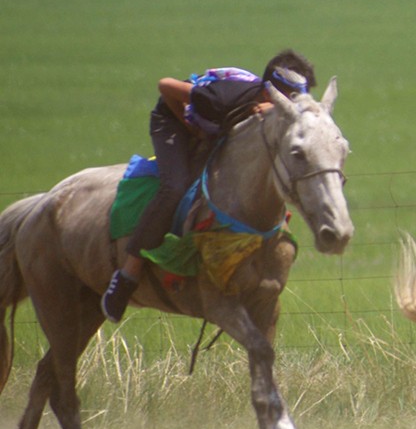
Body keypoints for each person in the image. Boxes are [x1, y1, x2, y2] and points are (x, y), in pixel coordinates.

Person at [100, 50, 315, 323]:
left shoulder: (274, 105)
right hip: (175, 122)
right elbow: (166, 85)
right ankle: (127, 276)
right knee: (175, 188)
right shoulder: (220, 98)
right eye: (289, 102)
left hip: (220, 128)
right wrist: (193, 131)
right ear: (268, 94)